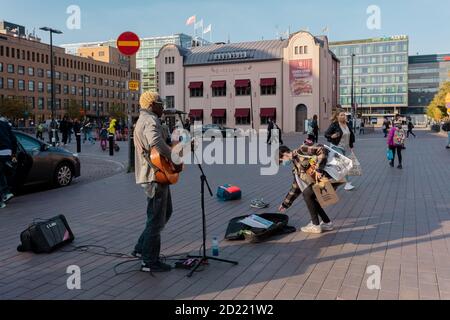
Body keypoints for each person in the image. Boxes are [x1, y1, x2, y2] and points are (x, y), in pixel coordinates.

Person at [133, 91, 175, 273]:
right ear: (151, 105)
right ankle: (149, 261)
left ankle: (142, 248)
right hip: (154, 175)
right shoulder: (150, 120)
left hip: (154, 174)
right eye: (160, 103)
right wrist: (173, 156)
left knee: (164, 213)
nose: (163, 107)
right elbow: (156, 141)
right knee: (157, 219)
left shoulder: (144, 119)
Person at [277, 141, 336, 234]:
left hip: (329, 176)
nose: (283, 163)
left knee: (307, 194)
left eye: (281, 160)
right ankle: (327, 223)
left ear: (284, 154)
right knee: (311, 197)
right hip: (322, 182)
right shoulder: (296, 168)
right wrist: (285, 204)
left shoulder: (302, 150)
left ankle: (315, 225)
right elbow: (295, 188)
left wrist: (319, 168)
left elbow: (322, 150)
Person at [325, 109, 356, 191]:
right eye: (341, 115)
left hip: (344, 148)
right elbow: (326, 134)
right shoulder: (334, 125)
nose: (343, 116)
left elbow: (351, 136)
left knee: (338, 167)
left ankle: (330, 181)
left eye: (344, 115)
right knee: (344, 165)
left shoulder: (347, 124)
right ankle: (347, 184)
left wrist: (351, 146)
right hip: (335, 147)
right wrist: (332, 136)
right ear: (337, 116)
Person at [0, 117, 18, 209]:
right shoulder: (5, 124)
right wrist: (13, 154)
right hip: (7, 151)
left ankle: (4, 195)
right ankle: (6, 192)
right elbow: (14, 140)